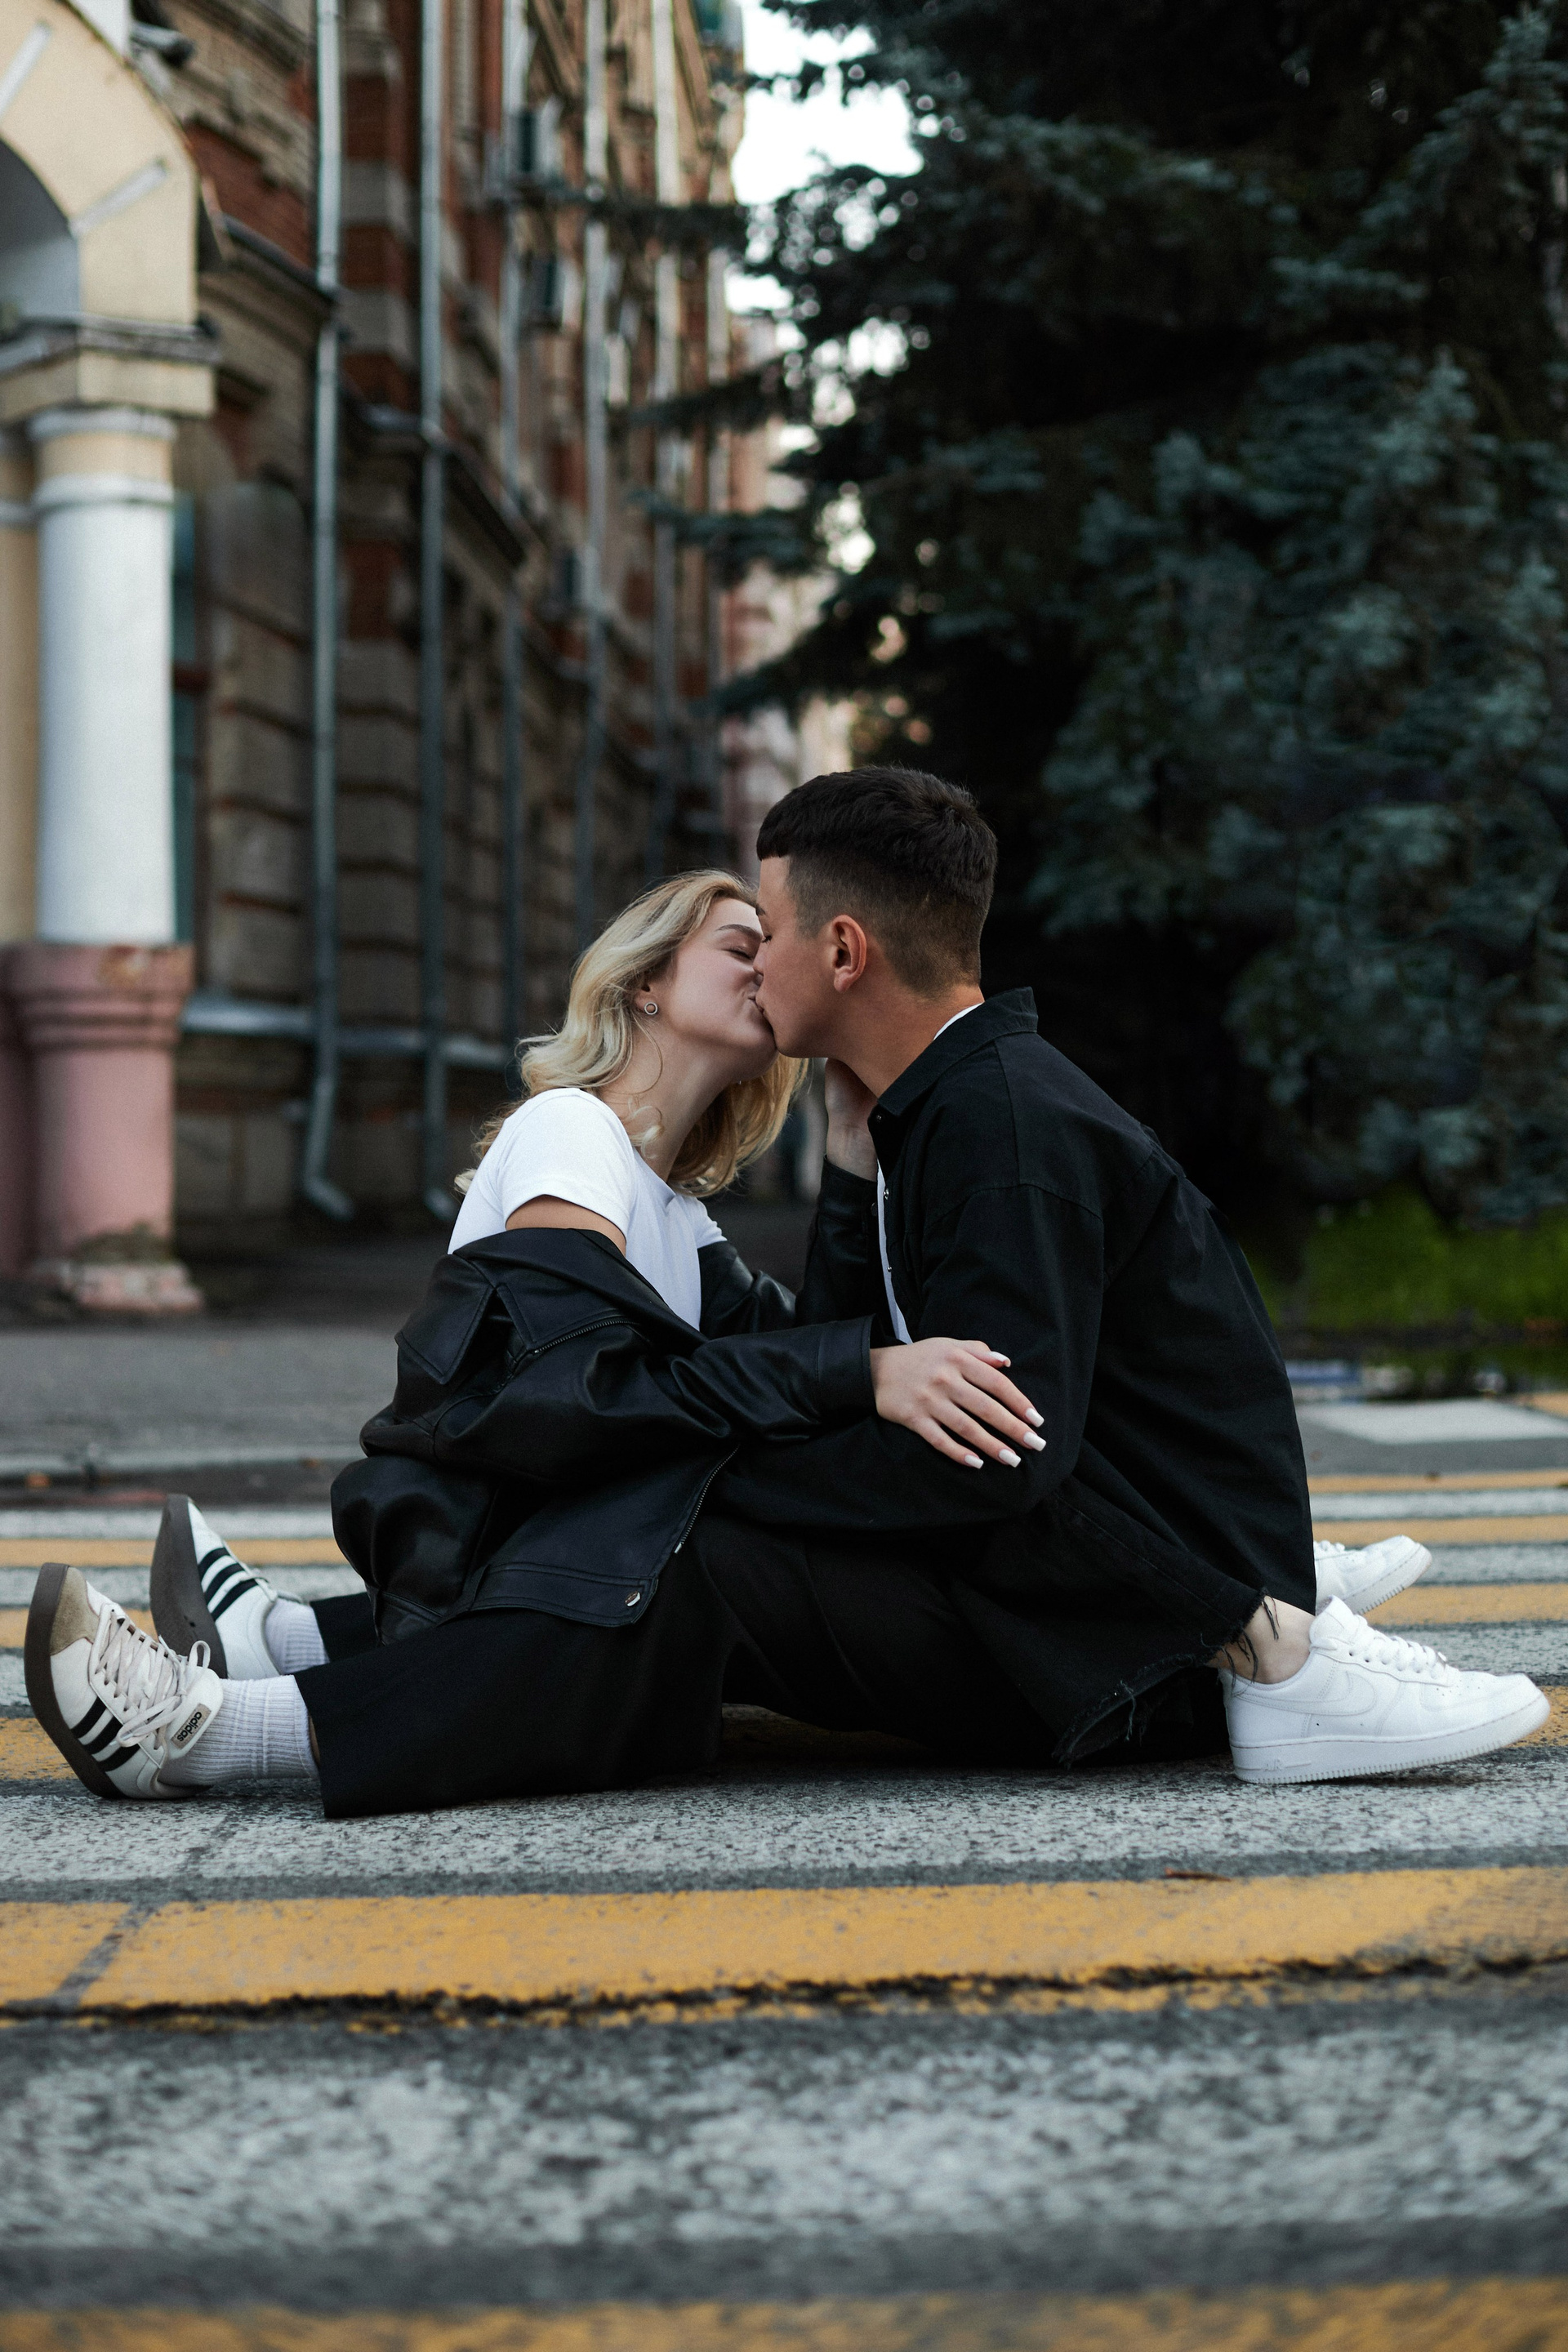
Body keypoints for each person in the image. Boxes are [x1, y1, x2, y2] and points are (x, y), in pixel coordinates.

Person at [25, 778, 1547, 1810]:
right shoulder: (943, 1117)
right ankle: (285, 1663)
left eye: (770, 933)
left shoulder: (1003, 1132)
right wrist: (846, 1188)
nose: (757, 971)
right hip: (1079, 1617)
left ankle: (232, 1730)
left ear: (845, 947)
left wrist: (1247, 1611)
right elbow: (864, 1366)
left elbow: (1000, 1462)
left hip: (1115, 1656)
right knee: (690, 1509)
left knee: (694, 1540)